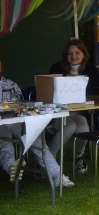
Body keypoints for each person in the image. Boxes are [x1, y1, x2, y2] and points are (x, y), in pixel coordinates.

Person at [0, 55, 73, 187]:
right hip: (0, 124)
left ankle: (57, 175)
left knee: (37, 142)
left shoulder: (11, 84)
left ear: (2, 67)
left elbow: (22, 104)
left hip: (16, 120)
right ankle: (12, 168)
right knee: (5, 144)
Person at [46, 39, 99, 175]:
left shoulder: (90, 69)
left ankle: (78, 156)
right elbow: (48, 91)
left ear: (84, 54)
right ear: (65, 55)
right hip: (60, 112)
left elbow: (95, 92)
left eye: (77, 52)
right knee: (69, 125)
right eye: (70, 53)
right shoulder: (56, 68)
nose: (74, 56)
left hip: (80, 112)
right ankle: (48, 160)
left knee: (84, 125)